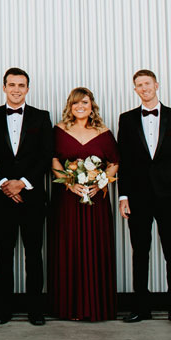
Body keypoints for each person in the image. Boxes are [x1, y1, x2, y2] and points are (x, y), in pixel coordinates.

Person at [118, 70, 171, 328]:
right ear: (135, 89)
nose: (144, 88)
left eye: (147, 83)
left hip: (169, 196)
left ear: (156, 85)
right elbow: (124, 161)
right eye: (139, 85)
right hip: (138, 197)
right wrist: (123, 196)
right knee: (140, 252)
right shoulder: (127, 119)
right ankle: (141, 309)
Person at [0, 68, 53, 326]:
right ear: (4, 87)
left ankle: (36, 310)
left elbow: (46, 155)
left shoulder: (41, 117)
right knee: (4, 252)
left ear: (27, 89)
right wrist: (3, 184)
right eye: (11, 85)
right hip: (2, 196)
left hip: (32, 196)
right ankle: (2, 309)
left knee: (34, 253)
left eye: (21, 85)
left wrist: (22, 183)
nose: (16, 89)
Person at [48, 87, 119, 322]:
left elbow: (114, 162)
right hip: (67, 201)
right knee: (69, 248)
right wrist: (69, 183)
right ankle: (69, 307)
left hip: (95, 201)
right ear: (70, 106)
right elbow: (53, 159)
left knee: (94, 249)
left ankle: (95, 306)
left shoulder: (103, 132)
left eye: (85, 102)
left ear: (92, 106)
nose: (80, 106)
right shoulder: (59, 130)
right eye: (76, 103)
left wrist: (101, 182)